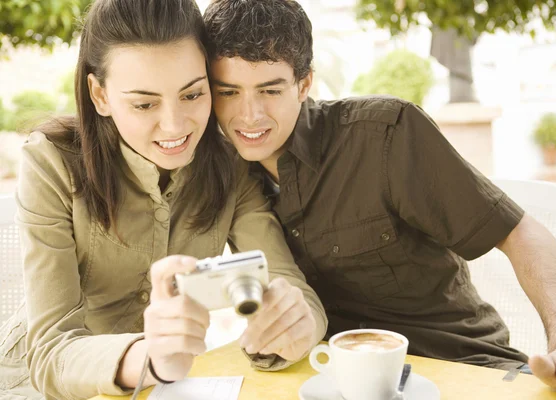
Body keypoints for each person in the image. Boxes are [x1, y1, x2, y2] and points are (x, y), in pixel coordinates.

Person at [203, 0, 556, 398]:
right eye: (229, 92)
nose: (248, 115)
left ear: (305, 84)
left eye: (269, 90)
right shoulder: (229, 178)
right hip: (336, 381)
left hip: (461, 367)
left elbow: (521, 234)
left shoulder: (386, 136)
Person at [0, 1, 327, 399]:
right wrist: (150, 358)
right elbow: (51, 351)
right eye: (144, 103)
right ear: (99, 95)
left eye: (192, 95)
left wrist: (298, 322)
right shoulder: (50, 163)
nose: (175, 125)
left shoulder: (229, 164)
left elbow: (286, 281)